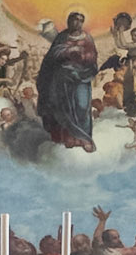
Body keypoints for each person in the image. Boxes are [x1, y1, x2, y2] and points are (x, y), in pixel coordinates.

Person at [36, 10, 99, 150]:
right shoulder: (62, 36)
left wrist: (80, 53)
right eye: (73, 19)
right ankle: (69, 138)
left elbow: (92, 57)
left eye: (79, 20)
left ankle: (84, 138)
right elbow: (52, 55)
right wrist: (67, 50)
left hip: (80, 77)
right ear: (68, 21)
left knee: (82, 106)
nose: (76, 22)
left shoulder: (87, 38)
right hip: (61, 78)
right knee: (64, 107)